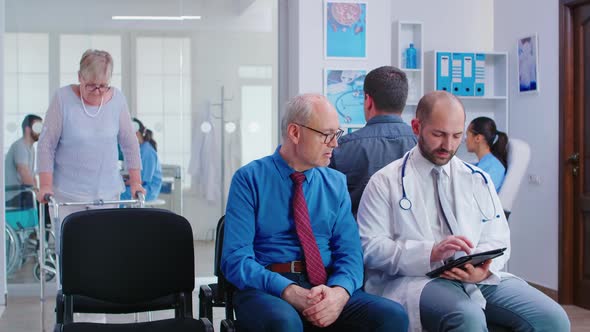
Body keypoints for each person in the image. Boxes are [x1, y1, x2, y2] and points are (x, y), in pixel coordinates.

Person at [357, 91, 570, 332]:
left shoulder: (478, 179)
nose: (448, 145)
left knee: (552, 318)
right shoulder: (385, 181)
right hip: (418, 278)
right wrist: (429, 253)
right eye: (438, 134)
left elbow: (499, 237)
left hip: (477, 278)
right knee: (466, 317)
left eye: (457, 136)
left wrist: (482, 268)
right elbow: (370, 247)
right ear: (416, 127)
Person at [221, 93, 409, 332]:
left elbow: (350, 253)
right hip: (268, 288)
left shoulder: (335, 183)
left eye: (337, 134)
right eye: (326, 135)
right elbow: (235, 258)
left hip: (325, 286)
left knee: (392, 316)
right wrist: (287, 290)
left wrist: (339, 293)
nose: (335, 143)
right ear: (295, 133)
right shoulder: (249, 179)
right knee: (284, 322)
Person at [37, 49, 145, 254]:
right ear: (80, 77)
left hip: (107, 194)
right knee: (72, 256)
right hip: (68, 196)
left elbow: (130, 143)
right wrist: (45, 185)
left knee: (105, 254)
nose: (97, 91)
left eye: (103, 86)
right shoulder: (62, 99)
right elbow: (46, 144)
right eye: (91, 85)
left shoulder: (117, 100)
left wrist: (136, 182)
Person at [330, 66, 417, 217]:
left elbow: (329, 204)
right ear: (403, 101)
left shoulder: (340, 147)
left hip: (357, 238)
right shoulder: (423, 144)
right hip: (414, 239)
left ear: (368, 101)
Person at [5, 114, 43, 208]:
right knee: (43, 205)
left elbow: (32, 177)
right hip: (12, 195)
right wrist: (37, 193)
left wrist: (39, 192)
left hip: (23, 193)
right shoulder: (20, 146)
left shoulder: (31, 148)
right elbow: (24, 173)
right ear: (27, 129)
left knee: (46, 202)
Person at [121, 118, 162, 201]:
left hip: (148, 191)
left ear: (137, 133)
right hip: (141, 186)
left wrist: (122, 183)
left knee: (117, 195)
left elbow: (142, 180)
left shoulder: (147, 151)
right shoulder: (141, 149)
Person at [465, 116, 508, 192]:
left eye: (467, 135)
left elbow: (478, 196)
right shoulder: (482, 164)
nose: (465, 139)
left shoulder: (495, 167)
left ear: (478, 138)